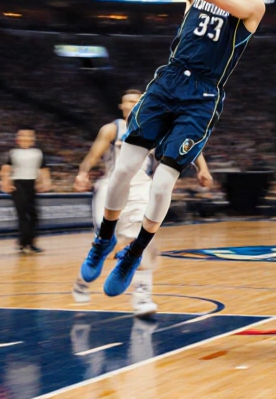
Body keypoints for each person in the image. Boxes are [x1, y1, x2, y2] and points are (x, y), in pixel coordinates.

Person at [79, 0, 265, 298]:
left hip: (202, 95)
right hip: (167, 81)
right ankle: (104, 238)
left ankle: (134, 252)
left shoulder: (254, 6)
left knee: (162, 184)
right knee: (123, 170)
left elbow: (221, 0)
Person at [74, 90, 214, 315]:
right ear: (121, 105)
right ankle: (83, 280)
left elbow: (188, 142)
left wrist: (203, 168)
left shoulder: (156, 127)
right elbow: (93, 154)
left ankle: (142, 295)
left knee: (138, 241)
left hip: (141, 187)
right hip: (111, 183)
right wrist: (83, 172)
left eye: (138, 100)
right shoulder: (112, 129)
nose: (133, 103)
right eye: (129, 100)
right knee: (104, 233)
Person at [0, 129, 51, 254]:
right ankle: (24, 244)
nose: (26, 138)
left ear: (33, 139)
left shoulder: (37, 152)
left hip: (31, 184)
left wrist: (46, 181)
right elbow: (5, 169)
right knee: (22, 215)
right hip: (18, 184)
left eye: (29, 136)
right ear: (18, 138)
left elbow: (43, 168)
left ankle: (29, 242)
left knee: (34, 215)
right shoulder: (13, 153)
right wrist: (6, 182)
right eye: (23, 136)